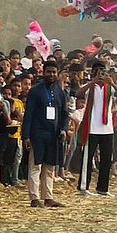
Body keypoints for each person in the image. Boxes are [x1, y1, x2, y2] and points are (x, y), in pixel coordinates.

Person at [23, 60, 69, 207]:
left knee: (50, 167)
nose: (51, 74)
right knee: (35, 166)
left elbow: (64, 114)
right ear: (43, 73)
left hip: (53, 134)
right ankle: (34, 198)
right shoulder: (35, 91)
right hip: (37, 134)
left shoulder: (59, 92)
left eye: (54, 72)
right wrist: (26, 136)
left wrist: (63, 129)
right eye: (48, 72)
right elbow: (28, 114)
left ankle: (48, 197)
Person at [78, 60, 117, 196]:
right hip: (92, 127)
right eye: (97, 71)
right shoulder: (89, 87)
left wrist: (113, 84)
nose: (100, 74)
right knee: (88, 158)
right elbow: (79, 94)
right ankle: (83, 186)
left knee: (106, 159)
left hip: (107, 128)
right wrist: (92, 82)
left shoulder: (109, 88)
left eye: (102, 72)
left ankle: (102, 188)